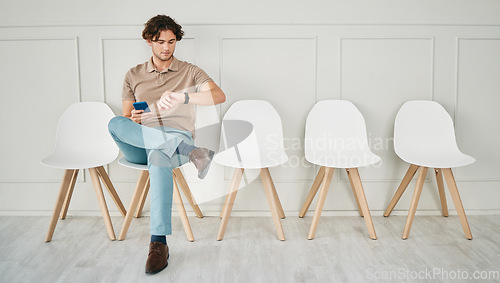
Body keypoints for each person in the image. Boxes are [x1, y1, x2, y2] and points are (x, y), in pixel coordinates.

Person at [108, 14, 225, 274]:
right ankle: (195, 154)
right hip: (141, 140)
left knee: (159, 154)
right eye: (160, 42)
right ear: (149, 41)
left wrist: (184, 97)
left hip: (175, 138)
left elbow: (218, 95)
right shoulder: (133, 74)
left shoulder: (190, 71)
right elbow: (127, 118)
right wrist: (134, 118)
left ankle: (158, 243)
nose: (166, 48)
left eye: (172, 42)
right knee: (115, 123)